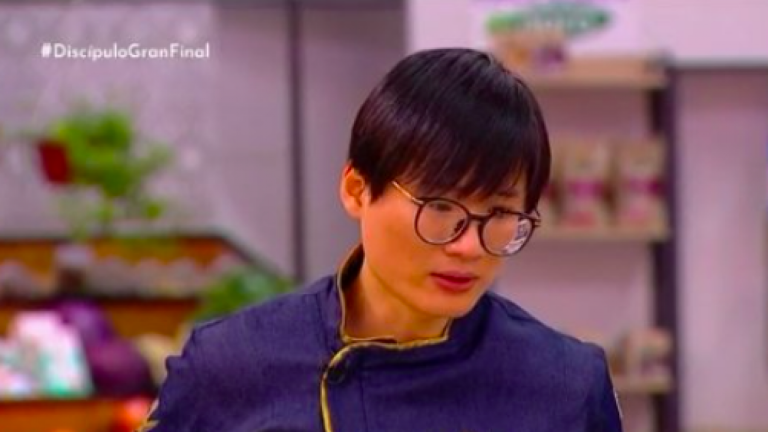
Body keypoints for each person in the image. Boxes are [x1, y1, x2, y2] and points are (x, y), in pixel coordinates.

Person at [141, 48, 623, 432]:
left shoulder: (564, 383)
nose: (469, 247)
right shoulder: (231, 364)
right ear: (357, 190)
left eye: (499, 214)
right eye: (440, 207)